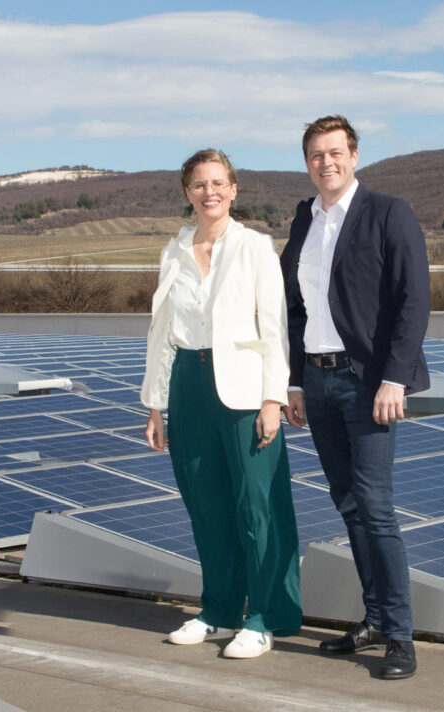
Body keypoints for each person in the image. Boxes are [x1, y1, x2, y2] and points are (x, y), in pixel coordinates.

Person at [280, 116, 430, 679]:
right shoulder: (304, 218)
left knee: (375, 506)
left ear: (355, 156)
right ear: (307, 162)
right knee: (347, 504)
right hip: (316, 383)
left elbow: (413, 299)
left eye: (336, 152)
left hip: (367, 382)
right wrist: (294, 380)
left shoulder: (389, 213)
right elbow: (296, 307)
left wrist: (395, 377)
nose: (327, 163)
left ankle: (398, 636)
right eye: (317, 155)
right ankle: (372, 620)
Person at [141, 148, 301, 659]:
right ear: (186, 193)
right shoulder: (174, 251)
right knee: (205, 506)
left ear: (233, 189)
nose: (208, 193)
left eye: (218, 183)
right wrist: (155, 405)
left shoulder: (254, 247)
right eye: (198, 185)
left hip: (245, 390)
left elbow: (273, 326)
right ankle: (218, 609)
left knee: (257, 506)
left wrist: (273, 397)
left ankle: (264, 616)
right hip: (189, 384)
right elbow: (161, 333)